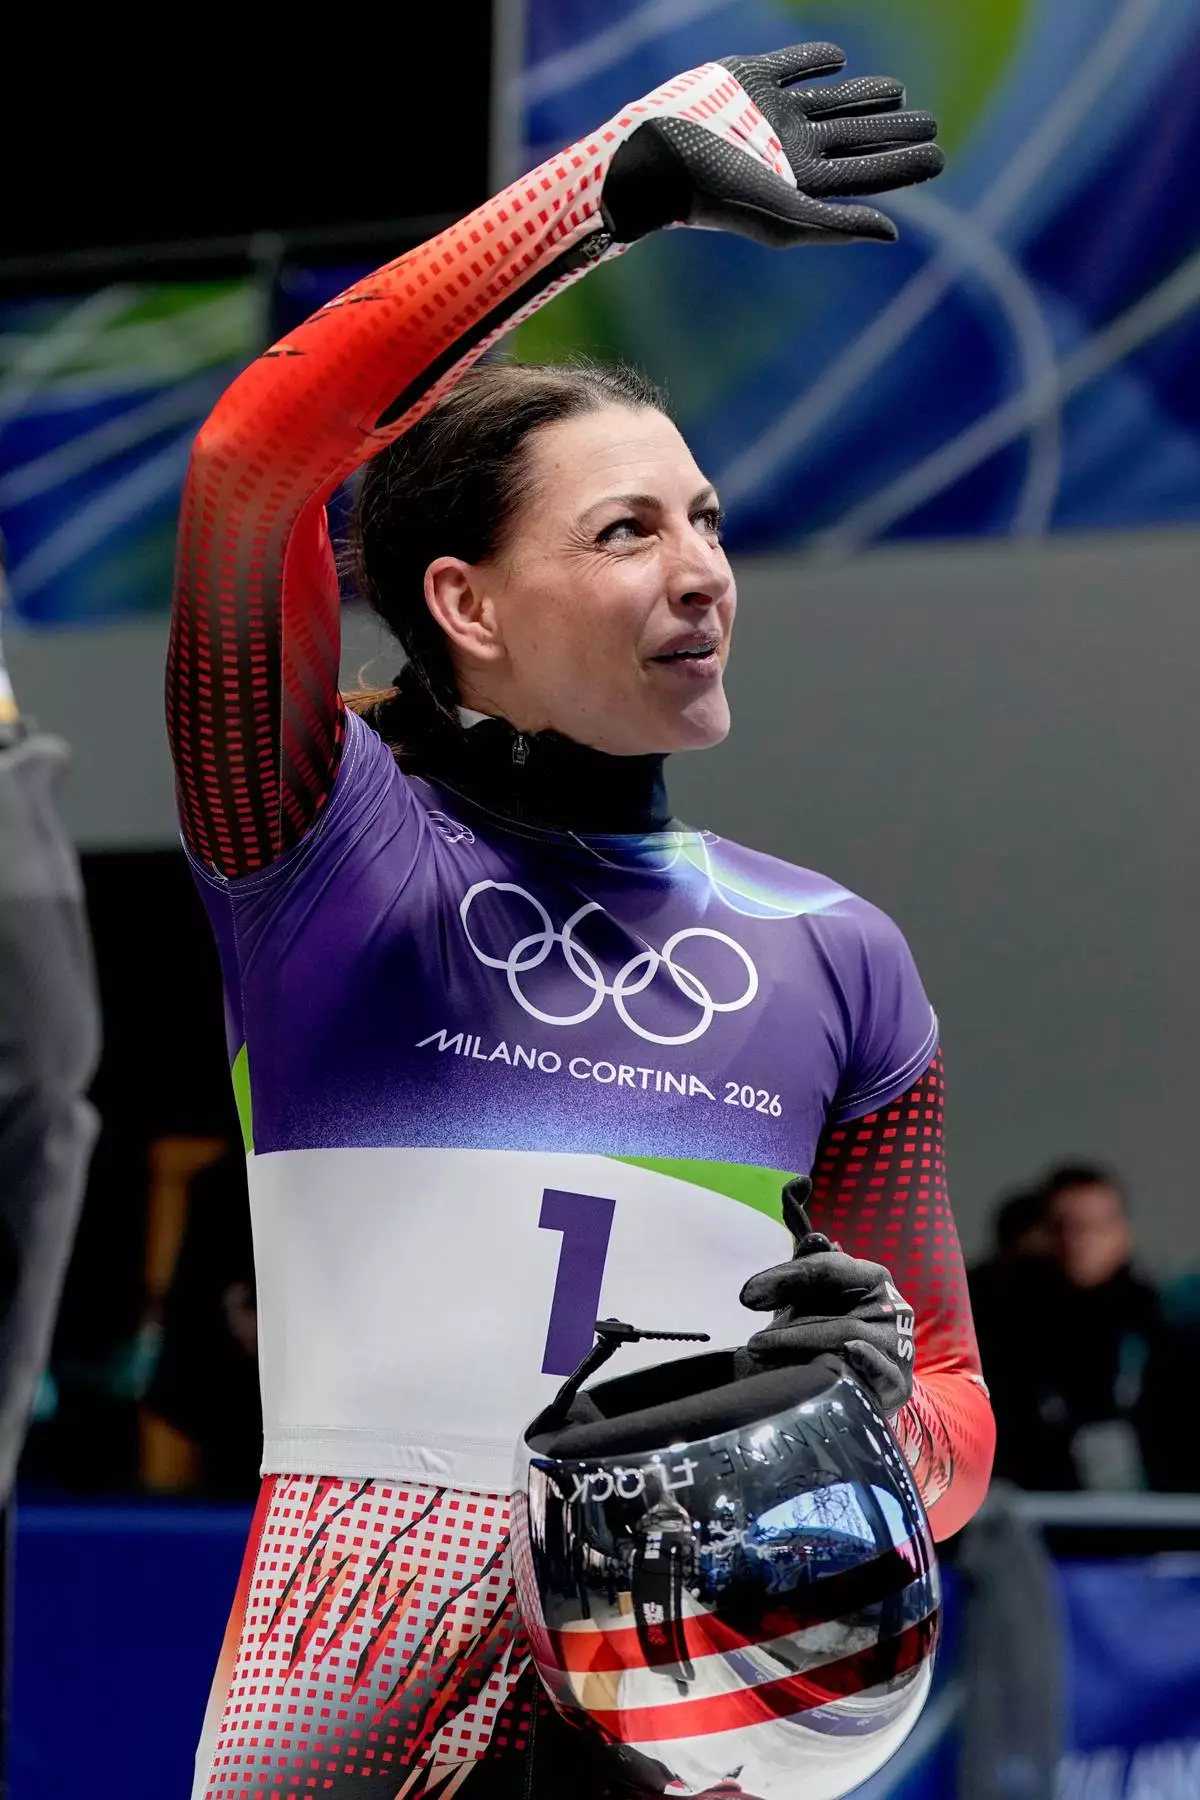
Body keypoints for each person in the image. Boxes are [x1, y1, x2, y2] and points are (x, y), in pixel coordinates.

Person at [167, 44, 994, 1798]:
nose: (701, 568)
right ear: (462, 602)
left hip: (703, 1659)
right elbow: (252, 465)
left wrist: (885, 1433)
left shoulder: (840, 954)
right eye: (625, 530)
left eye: (705, 518)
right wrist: (604, 189)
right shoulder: (319, 848)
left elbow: (950, 1395)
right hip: (356, 1650)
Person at [987, 1163, 1163, 1492]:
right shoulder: (1007, 1323)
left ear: (1122, 1233)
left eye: (1094, 1227)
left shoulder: (1158, 1325)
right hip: (1035, 1505)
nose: (1078, 1241)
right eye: (1063, 1227)